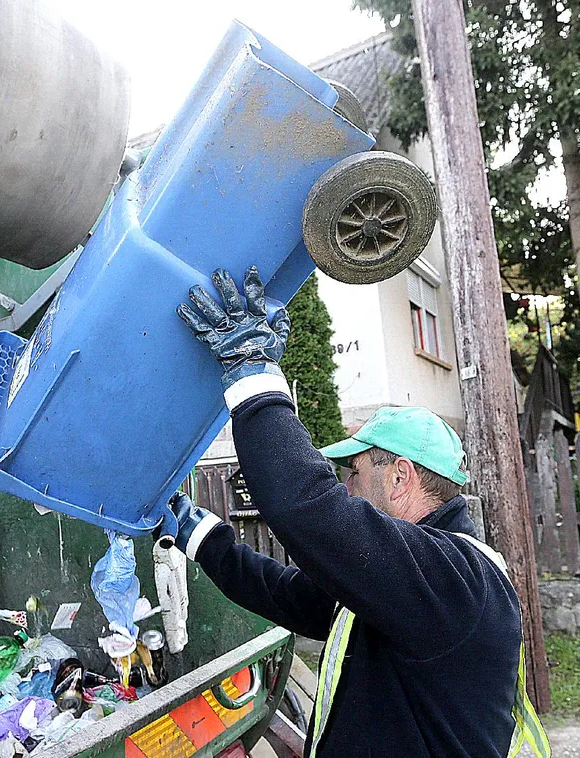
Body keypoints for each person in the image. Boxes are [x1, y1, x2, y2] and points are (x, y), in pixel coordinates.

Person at [163, 267, 549, 758]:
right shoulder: (398, 585)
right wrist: (200, 535)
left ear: (400, 477)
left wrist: (253, 375)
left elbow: (312, 513)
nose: (347, 485)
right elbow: (287, 594)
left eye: (355, 472)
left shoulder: (457, 579)